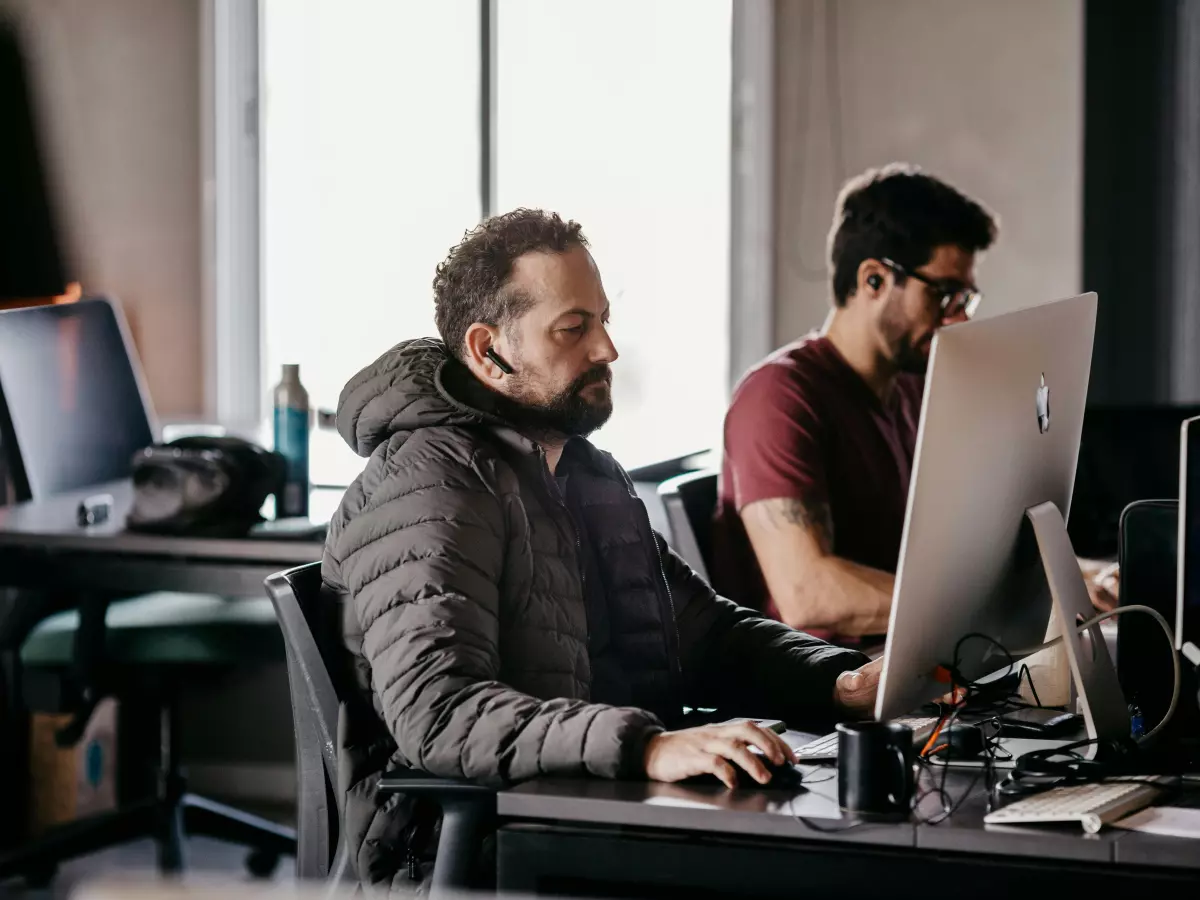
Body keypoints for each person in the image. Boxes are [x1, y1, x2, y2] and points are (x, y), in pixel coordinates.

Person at [322, 208, 880, 892]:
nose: (607, 349)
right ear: (489, 349)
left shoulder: (584, 471)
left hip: (591, 814)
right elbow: (440, 712)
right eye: (573, 328)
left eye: (603, 320)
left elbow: (702, 634)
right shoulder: (431, 482)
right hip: (477, 849)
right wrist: (645, 748)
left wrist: (838, 678)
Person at [712, 163, 1117, 648]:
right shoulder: (779, 398)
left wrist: (1080, 574)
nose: (958, 317)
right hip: (829, 686)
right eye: (944, 293)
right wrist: (1021, 602)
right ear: (874, 280)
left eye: (966, 297)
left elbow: (968, 548)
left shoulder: (911, 390)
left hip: (915, 659)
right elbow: (808, 593)